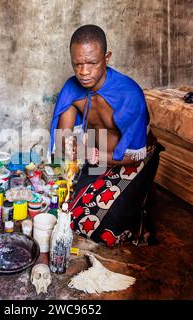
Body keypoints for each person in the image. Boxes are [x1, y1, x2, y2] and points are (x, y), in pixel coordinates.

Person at [49, 25, 163, 247]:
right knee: (70, 212)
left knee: (108, 226)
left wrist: (95, 154)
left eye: (91, 63)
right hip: (95, 155)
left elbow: (135, 155)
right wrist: (69, 145)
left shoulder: (130, 94)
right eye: (77, 64)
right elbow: (63, 137)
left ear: (107, 57)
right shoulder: (72, 89)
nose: (83, 72)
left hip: (133, 158)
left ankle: (142, 200)